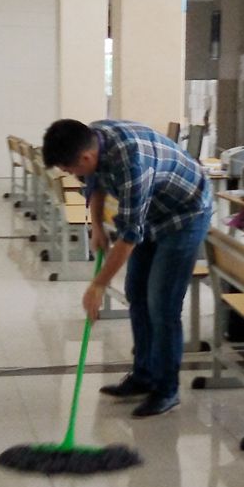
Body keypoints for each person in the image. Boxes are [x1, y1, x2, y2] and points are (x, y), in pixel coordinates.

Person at [42, 118, 212, 417]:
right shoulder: (93, 138)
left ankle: (166, 389)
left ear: (86, 157)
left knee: (162, 303)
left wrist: (98, 285)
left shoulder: (132, 161)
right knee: (137, 292)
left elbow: (130, 236)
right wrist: (96, 226)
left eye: (68, 169)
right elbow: (95, 184)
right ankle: (144, 376)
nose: (68, 174)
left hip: (185, 215)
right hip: (151, 213)